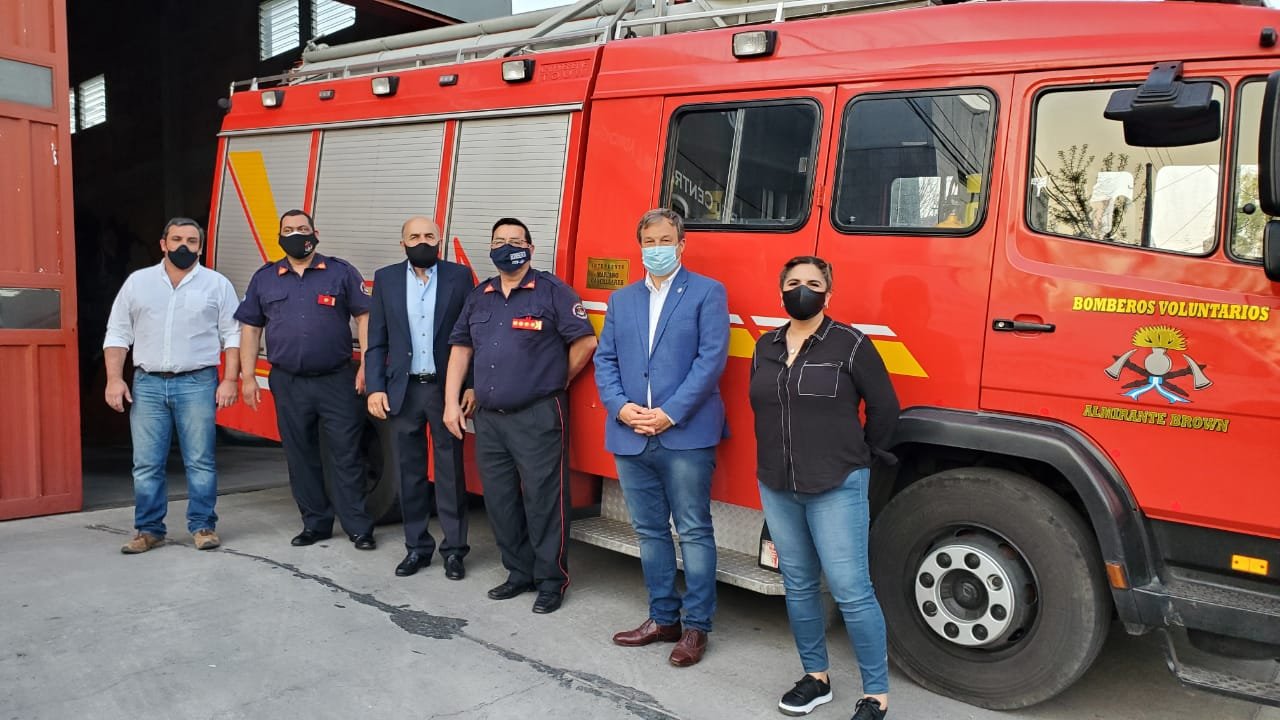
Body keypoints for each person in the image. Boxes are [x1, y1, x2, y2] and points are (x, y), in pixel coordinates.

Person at [748, 256, 900, 720]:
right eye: (794, 282)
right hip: (778, 484)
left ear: (828, 295)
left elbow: (885, 409)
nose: (803, 290)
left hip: (837, 483)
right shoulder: (766, 345)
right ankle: (816, 678)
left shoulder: (851, 344)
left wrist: (860, 458)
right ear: (781, 292)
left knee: (851, 589)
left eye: (813, 284)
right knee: (798, 585)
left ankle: (876, 695)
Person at [594, 208, 730, 667]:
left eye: (665, 240)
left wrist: (670, 414)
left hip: (686, 434)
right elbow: (605, 360)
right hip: (630, 433)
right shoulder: (621, 300)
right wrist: (620, 407)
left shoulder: (708, 292)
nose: (657, 249)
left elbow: (711, 360)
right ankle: (662, 619)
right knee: (649, 532)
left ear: (681, 244)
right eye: (649, 242)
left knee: (693, 530)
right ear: (640, 247)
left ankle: (696, 627)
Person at [443, 217, 597, 614]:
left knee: (545, 501)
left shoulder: (552, 291)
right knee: (499, 500)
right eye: (499, 241)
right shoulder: (480, 295)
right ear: (491, 247)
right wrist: (450, 402)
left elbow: (585, 341)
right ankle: (518, 572)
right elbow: (461, 349)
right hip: (490, 418)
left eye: (515, 240)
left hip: (538, 414)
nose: (507, 246)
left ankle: (550, 581)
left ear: (529, 248)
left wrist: (556, 379)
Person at [235, 209, 377, 550]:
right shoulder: (265, 278)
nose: (296, 235)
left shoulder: (340, 272)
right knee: (300, 455)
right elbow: (251, 328)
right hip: (289, 382)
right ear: (279, 236)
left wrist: (367, 365)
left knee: (346, 454)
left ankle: (359, 527)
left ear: (316, 234)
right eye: (288, 230)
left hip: (336, 380)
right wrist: (248, 376)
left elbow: (365, 316)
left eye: (302, 228)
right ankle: (315, 524)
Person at [103, 217, 241, 554]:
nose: (184, 246)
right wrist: (114, 379)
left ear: (200, 247)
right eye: (177, 239)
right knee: (146, 464)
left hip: (197, 382)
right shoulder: (138, 283)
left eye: (192, 241)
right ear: (163, 244)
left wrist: (229, 379)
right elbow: (118, 332)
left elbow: (233, 335)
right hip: (148, 384)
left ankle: (203, 526)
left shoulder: (217, 285)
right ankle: (149, 530)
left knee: (200, 461)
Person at [366, 216, 477, 579]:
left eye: (429, 235)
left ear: (439, 240)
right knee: (409, 474)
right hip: (404, 390)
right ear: (402, 243)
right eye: (414, 236)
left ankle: (455, 550)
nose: (422, 241)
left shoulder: (460, 277)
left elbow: (472, 335)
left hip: (445, 391)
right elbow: (377, 339)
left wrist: (470, 385)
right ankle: (417, 548)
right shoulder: (386, 279)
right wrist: (375, 386)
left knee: (450, 473)